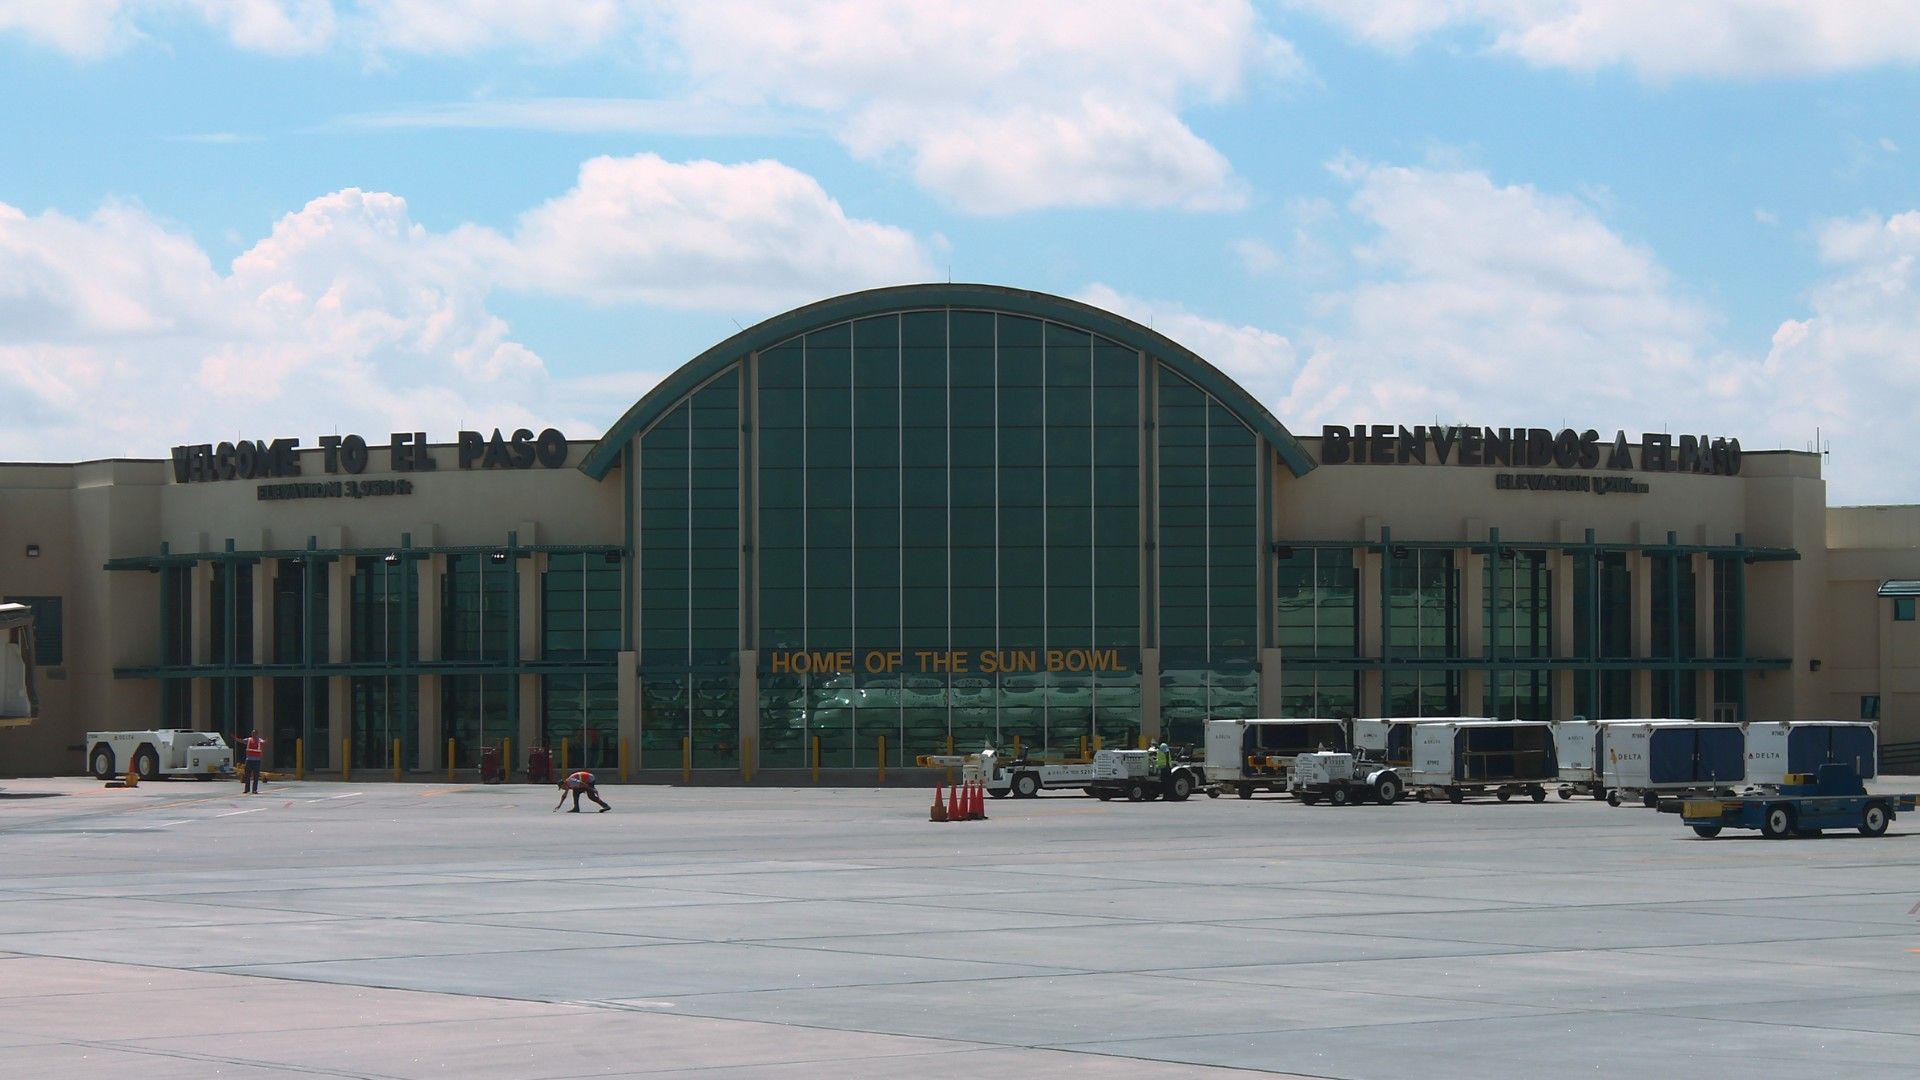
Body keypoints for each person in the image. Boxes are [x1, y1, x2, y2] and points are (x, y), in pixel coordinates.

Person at [241, 728, 265, 794]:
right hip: (249, 760)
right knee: (247, 775)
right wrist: (236, 739)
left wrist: (264, 742)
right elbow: (242, 741)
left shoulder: (259, 740)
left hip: (257, 760)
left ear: (257, 734)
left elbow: (263, 742)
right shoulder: (248, 739)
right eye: (252, 733)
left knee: (256, 776)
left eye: (254, 733)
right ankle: (247, 789)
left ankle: (254, 790)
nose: (253, 734)